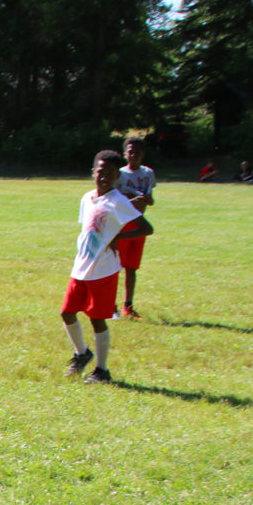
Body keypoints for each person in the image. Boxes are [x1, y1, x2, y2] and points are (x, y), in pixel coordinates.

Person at [61, 150, 154, 385]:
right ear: (93, 171)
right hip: (82, 265)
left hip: (104, 268)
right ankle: (82, 353)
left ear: (116, 178)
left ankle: (101, 371)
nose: (104, 176)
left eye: (110, 173)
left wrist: (119, 236)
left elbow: (146, 227)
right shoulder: (87, 198)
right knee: (67, 312)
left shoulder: (118, 200)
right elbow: (88, 230)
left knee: (97, 318)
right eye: (101, 171)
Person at [114, 136, 156, 320]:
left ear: (143, 154)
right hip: (123, 223)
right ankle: (110, 305)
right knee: (116, 266)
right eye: (130, 151)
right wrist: (132, 200)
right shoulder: (120, 174)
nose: (133, 155)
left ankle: (128, 306)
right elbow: (114, 199)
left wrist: (148, 200)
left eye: (137, 152)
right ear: (125, 153)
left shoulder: (148, 173)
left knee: (132, 268)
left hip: (140, 224)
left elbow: (150, 198)